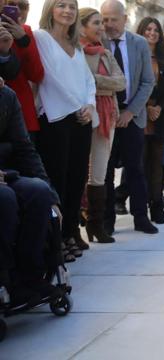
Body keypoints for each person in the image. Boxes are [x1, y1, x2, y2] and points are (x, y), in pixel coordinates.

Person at [34, 0, 97, 258]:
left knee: (76, 180)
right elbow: (49, 77)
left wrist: (90, 106)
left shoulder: (76, 47)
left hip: (80, 120)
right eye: (61, 5)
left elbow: (88, 81)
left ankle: (70, 232)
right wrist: (77, 105)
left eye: (72, 6)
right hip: (55, 118)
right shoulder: (41, 38)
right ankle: (54, 240)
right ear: (50, 9)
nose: (68, 11)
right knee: (56, 180)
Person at [0, 85, 63, 304]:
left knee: (39, 192)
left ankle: (30, 276)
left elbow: (25, 148)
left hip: (6, 174)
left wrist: (53, 198)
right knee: (5, 199)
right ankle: (5, 280)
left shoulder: (6, 96)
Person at [100, 0, 156, 235]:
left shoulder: (139, 44)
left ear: (125, 19)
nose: (109, 24)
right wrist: (113, 113)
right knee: (106, 170)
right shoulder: (97, 42)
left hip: (132, 116)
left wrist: (131, 111)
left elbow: (147, 81)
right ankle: (106, 221)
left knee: (135, 169)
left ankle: (141, 218)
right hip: (106, 116)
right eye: (104, 20)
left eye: (113, 19)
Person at [79, 7, 125, 243]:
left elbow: (121, 82)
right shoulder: (76, 52)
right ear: (82, 26)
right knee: (77, 174)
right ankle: (76, 227)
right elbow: (79, 83)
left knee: (99, 174)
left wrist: (95, 81)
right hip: (83, 117)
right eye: (96, 23)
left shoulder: (106, 54)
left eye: (101, 23)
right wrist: (100, 84)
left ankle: (96, 226)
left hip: (108, 117)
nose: (101, 27)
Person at [136, 17, 164, 224]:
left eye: (155, 30)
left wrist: (158, 107)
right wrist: (146, 107)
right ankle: (140, 211)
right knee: (139, 166)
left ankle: (157, 207)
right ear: (141, 32)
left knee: (157, 166)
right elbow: (131, 87)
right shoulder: (135, 55)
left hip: (160, 119)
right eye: (148, 29)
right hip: (139, 117)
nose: (152, 33)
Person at [1, 0, 43, 142]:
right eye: (12, 4)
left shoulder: (26, 31)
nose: (18, 10)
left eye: (23, 6)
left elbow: (37, 75)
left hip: (23, 114)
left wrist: (23, 40)